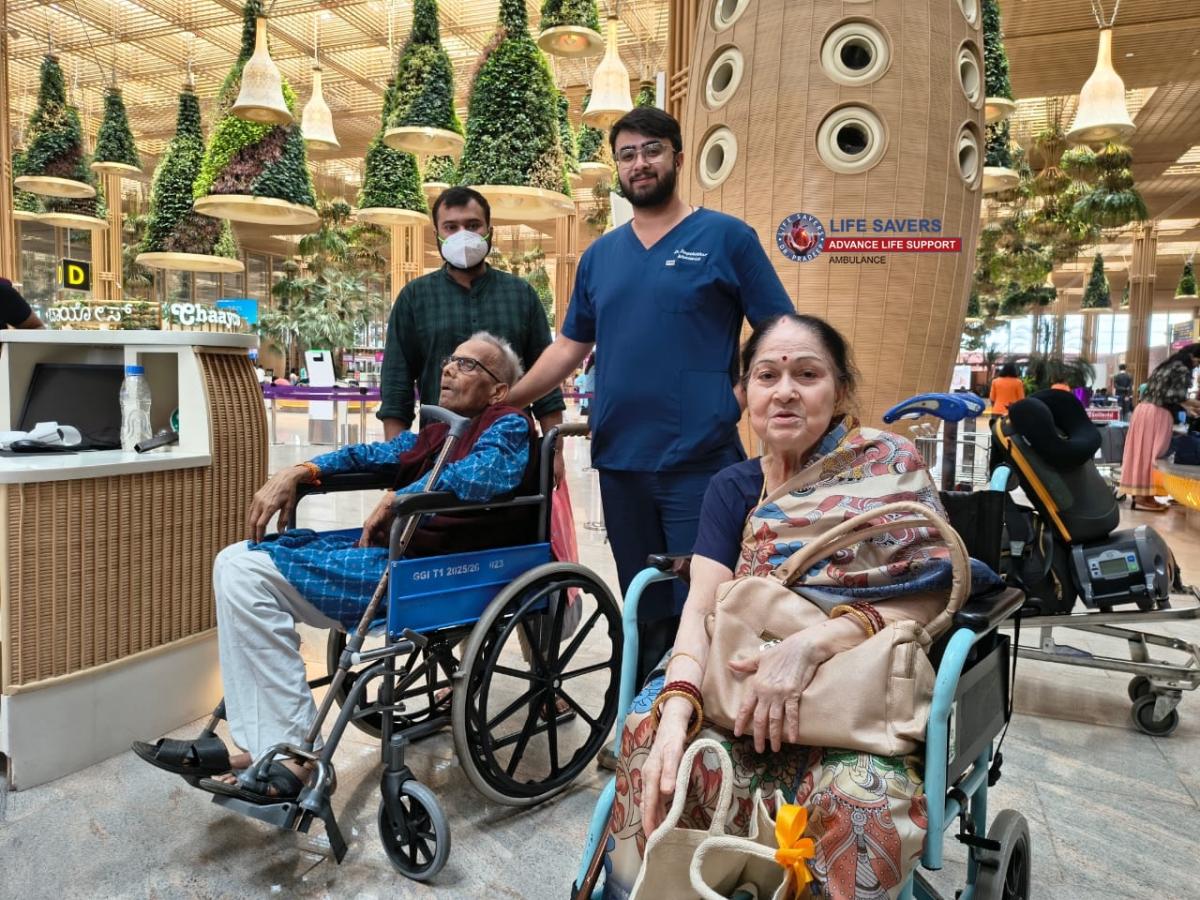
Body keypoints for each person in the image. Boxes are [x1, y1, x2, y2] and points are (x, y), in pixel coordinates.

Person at [601, 314, 957, 899]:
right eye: (767, 375)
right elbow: (701, 607)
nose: (785, 390)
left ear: (840, 389)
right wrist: (678, 705)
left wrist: (811, 646)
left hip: (855, 701)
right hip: (737, 689)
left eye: (807, 374)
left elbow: (931, 595)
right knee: (652, 735)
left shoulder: (888, 467)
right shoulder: (732, 487)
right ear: (745, 394)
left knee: (862, 797)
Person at [132, 333, 538, 800]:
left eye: (467, 365)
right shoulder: (438, 432)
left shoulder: (508, 425)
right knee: (236, 560)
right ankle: (266, 748)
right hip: (395, 554)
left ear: (498, 389)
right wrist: (302, 471)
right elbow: (370, 455)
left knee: (246, 574)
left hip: (434, 569)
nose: (448, 369)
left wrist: (403, 494)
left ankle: (292, 759)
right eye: (451, 359)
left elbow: (484, 475)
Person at [506, 107, 794, 685]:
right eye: (628, 154)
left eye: (652, 150)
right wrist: (507, 398)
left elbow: (779, 331)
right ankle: (643, 714)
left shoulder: (727, 239)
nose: (640, 163)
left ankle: (699, 716)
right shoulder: (600, 257)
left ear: (678, 158)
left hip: (701, 462)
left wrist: (736, 397)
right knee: (642, 602)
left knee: (706, 603)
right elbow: (569, 347)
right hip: (622, 463)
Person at [376, 186, 566, 481]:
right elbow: (396, 385)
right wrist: (397, 461)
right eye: (451, 227)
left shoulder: (521, 295)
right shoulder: (415, 298)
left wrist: (555, 452)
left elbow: (546, 382)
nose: (462, 235)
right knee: (437, 512)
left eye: (473, 225)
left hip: (511, 452)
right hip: (438, 451)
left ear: (490, 231)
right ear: (437, 234)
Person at [1118, 343, 1200, 511]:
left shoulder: (1166, 366)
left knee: (1141, 453)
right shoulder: (1182, 369)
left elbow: (1164, 394)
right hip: (1157, 413)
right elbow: (1175, 397)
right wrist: (1195, 404)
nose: (1197, 366)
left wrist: (1188, 407)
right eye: (1198, 362)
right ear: (1193, 356)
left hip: (1143, 410)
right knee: (1154, 455)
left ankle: (1143, 494)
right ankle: (1143, 497)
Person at [988, 363, 1025, 473]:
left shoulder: (995, 381)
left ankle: (993, 469)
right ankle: (1009, 469)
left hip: (996, 414)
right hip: (1011, 415)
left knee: (995, 442)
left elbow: (992, 398)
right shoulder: (1018, 382)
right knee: (1010, 442)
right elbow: (1021, 400)